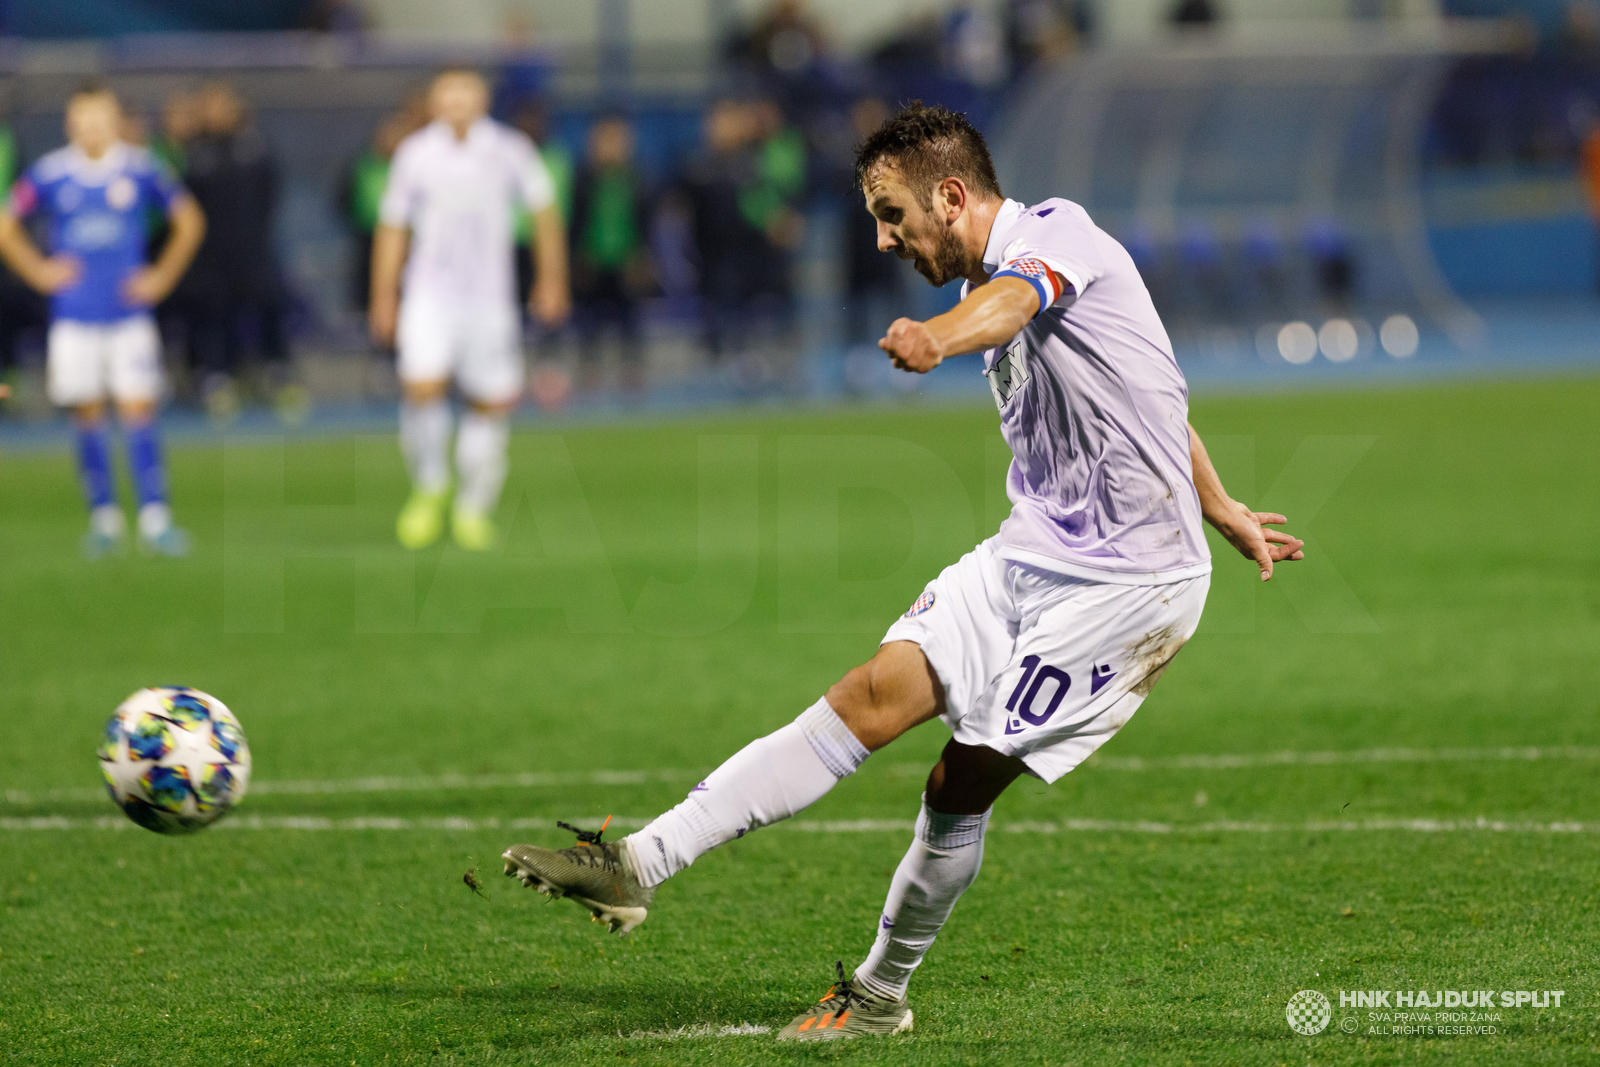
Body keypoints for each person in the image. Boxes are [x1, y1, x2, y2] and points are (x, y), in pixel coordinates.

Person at [500, 104, 1306, 1040]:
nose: (882, 238)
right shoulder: (1011, 285)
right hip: (1031, 551)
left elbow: (1012, 303)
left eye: (891, 214)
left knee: (958, 782)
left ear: (952, 196)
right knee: (867, 694)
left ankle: (880, 994)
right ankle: (639, 862)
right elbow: (1155, 398)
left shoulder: (1053, 238)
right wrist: (1218, 500)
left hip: (1127, 592)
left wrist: (940, 333)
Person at [0, 84, 204, 557]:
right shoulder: (50, 174)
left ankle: (156, 519)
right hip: (74, 317)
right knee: (87, 414)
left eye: (99, 118)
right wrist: (38, 271)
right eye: (82, 119)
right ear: (71, 124)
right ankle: (105, 518)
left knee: (138, 410)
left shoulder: (141, 167)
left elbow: (190, 220)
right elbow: (6, 224)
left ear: (114, 121)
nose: (91, 128)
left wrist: (161, 276)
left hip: (128, 316)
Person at [369, 69, 570, 551]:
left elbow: (544, 212)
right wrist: (384, 295)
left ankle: (473, 509)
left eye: (467, 92)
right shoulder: (415, 153)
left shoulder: (509, 149)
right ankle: (432, 483)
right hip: (429, 295)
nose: (457, 101)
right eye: (448, 93)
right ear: (435, 101)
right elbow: (393, 226)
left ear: (482, 100)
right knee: (422, 386)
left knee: (489, 402)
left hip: (489, 299)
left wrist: (552, 280)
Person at [180, 82, 294, 423]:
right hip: (209, 256)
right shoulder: (194, 154)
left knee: (268, 305)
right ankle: (215, 376)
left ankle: (274, 372)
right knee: (211, 316)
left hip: (251, 250)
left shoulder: (254, 148)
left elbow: (269, 195)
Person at [568, 114, 652, 395]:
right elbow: (575, 221)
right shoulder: (584, 179)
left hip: (625, 260)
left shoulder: (636, 178)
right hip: (593, 260)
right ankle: (589, 372)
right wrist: (578, 258)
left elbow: (645, 222)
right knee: (590, 322)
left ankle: (631, 372)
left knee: (629, 321)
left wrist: (641, 256)